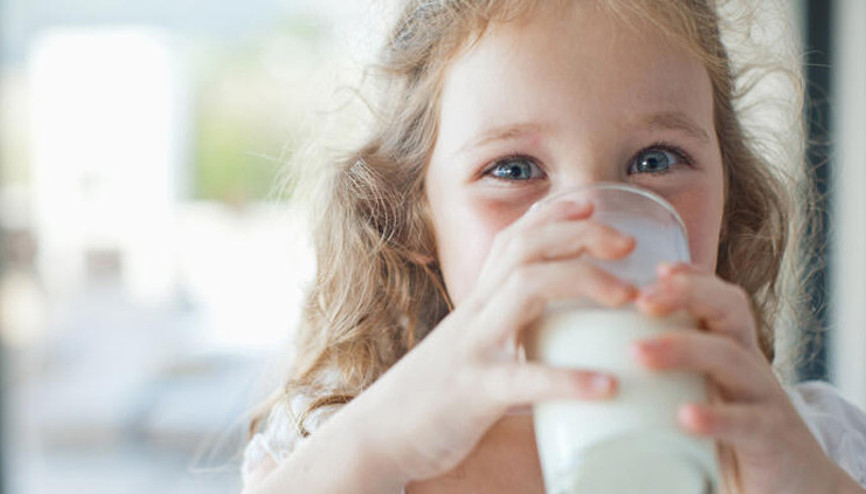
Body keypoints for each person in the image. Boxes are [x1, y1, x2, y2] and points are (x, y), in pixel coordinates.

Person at [240, 0, 866, 492]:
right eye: (513, 170)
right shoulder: (343, 452)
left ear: (730, 194)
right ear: (415, 217)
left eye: (655, 160)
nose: (596, 231)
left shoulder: (810, 447)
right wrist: (376, 445)